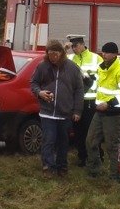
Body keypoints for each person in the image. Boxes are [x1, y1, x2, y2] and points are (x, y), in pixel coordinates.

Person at [30, 39, 84, 177]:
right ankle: (48, 167)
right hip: (47, 113)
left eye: (55, 54)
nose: (53, 57)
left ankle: (62, 166)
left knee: (63, 141)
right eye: (50, 54)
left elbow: (79, 90)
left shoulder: (72, 68)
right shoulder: (43, 67)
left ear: (61, 53)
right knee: (49, 140)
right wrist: (39, 93)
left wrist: (77, 110)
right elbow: (34, 83)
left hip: (65, 112)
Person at [86, 42, 120, 181]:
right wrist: (86, 80)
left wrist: (108, 104)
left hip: (113, 114)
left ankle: (116, 176)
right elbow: (95, 86)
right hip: (99, 112)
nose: (104, 55)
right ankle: (94, 170)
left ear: (115, 54)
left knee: (112, 146)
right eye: (103, 52)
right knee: (90, 141)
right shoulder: (101, 68)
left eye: (107, 53)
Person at [66, 34, 102, 167]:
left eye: (75, 46)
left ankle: (96, 157)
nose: (74, 49)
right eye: (72, 46)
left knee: (91, 132)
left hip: (90, 102)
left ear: (82, 44)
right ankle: (82, 157)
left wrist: (87, 83)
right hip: (75, 102)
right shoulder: (70, 58)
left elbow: (100, 80)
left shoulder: (95, 58)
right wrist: (65, 49)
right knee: (78, 131)